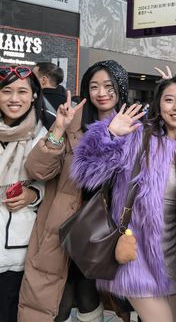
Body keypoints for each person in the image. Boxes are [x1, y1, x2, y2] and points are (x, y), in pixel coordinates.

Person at [70, 77, 176, 321]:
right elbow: (85, 172)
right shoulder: (139, 137)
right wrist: (108, 134)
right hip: (136, 255)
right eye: (169, 100)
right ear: (158, 106)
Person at [19, 60, 130, 322]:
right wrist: (58, 128)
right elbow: (38, 171)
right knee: (55, 300)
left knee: (91, 297)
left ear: (121, 88)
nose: (101, 93)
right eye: (94, 86)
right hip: (65, 228)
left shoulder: (136, 125)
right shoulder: (72, 121)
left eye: (108, 85)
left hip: (108, 231)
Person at [0, 66, 47, 322]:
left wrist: (33, 194)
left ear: (34, 96)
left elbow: (50, 180)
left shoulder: (44, 133)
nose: (14, 98)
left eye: (22, 91)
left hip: (16, 246)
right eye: (6, 91)